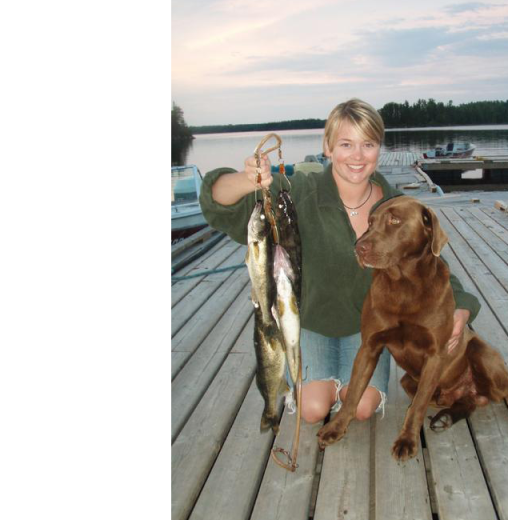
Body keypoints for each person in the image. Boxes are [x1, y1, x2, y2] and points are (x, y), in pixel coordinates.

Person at [199, 98, 480, 424]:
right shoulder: (298, 192)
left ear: (379, 149)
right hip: (311, 323)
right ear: (328, 147)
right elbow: (217, 201)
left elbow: (432, 264)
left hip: (370, 330)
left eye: (368, 144)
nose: (358, 156)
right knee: (313, 410)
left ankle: (345, 383)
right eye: (346, 144)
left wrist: (461, 306)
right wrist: (249, 179)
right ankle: (310, 381)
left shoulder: (395, 207)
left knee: (360, 408)